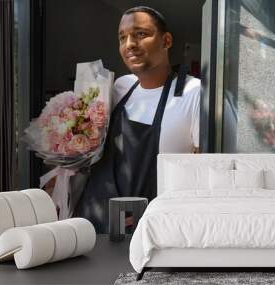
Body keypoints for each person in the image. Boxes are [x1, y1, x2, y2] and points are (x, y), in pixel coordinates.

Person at [74, 6, 200, 233]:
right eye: (122, 38)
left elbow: (205, 171)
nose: (130, 44)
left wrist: (157, 214)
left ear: (167, 40)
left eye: (141, 34)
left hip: (148, 230)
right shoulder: (121, 87)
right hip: (93, 224)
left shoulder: (193, 93)